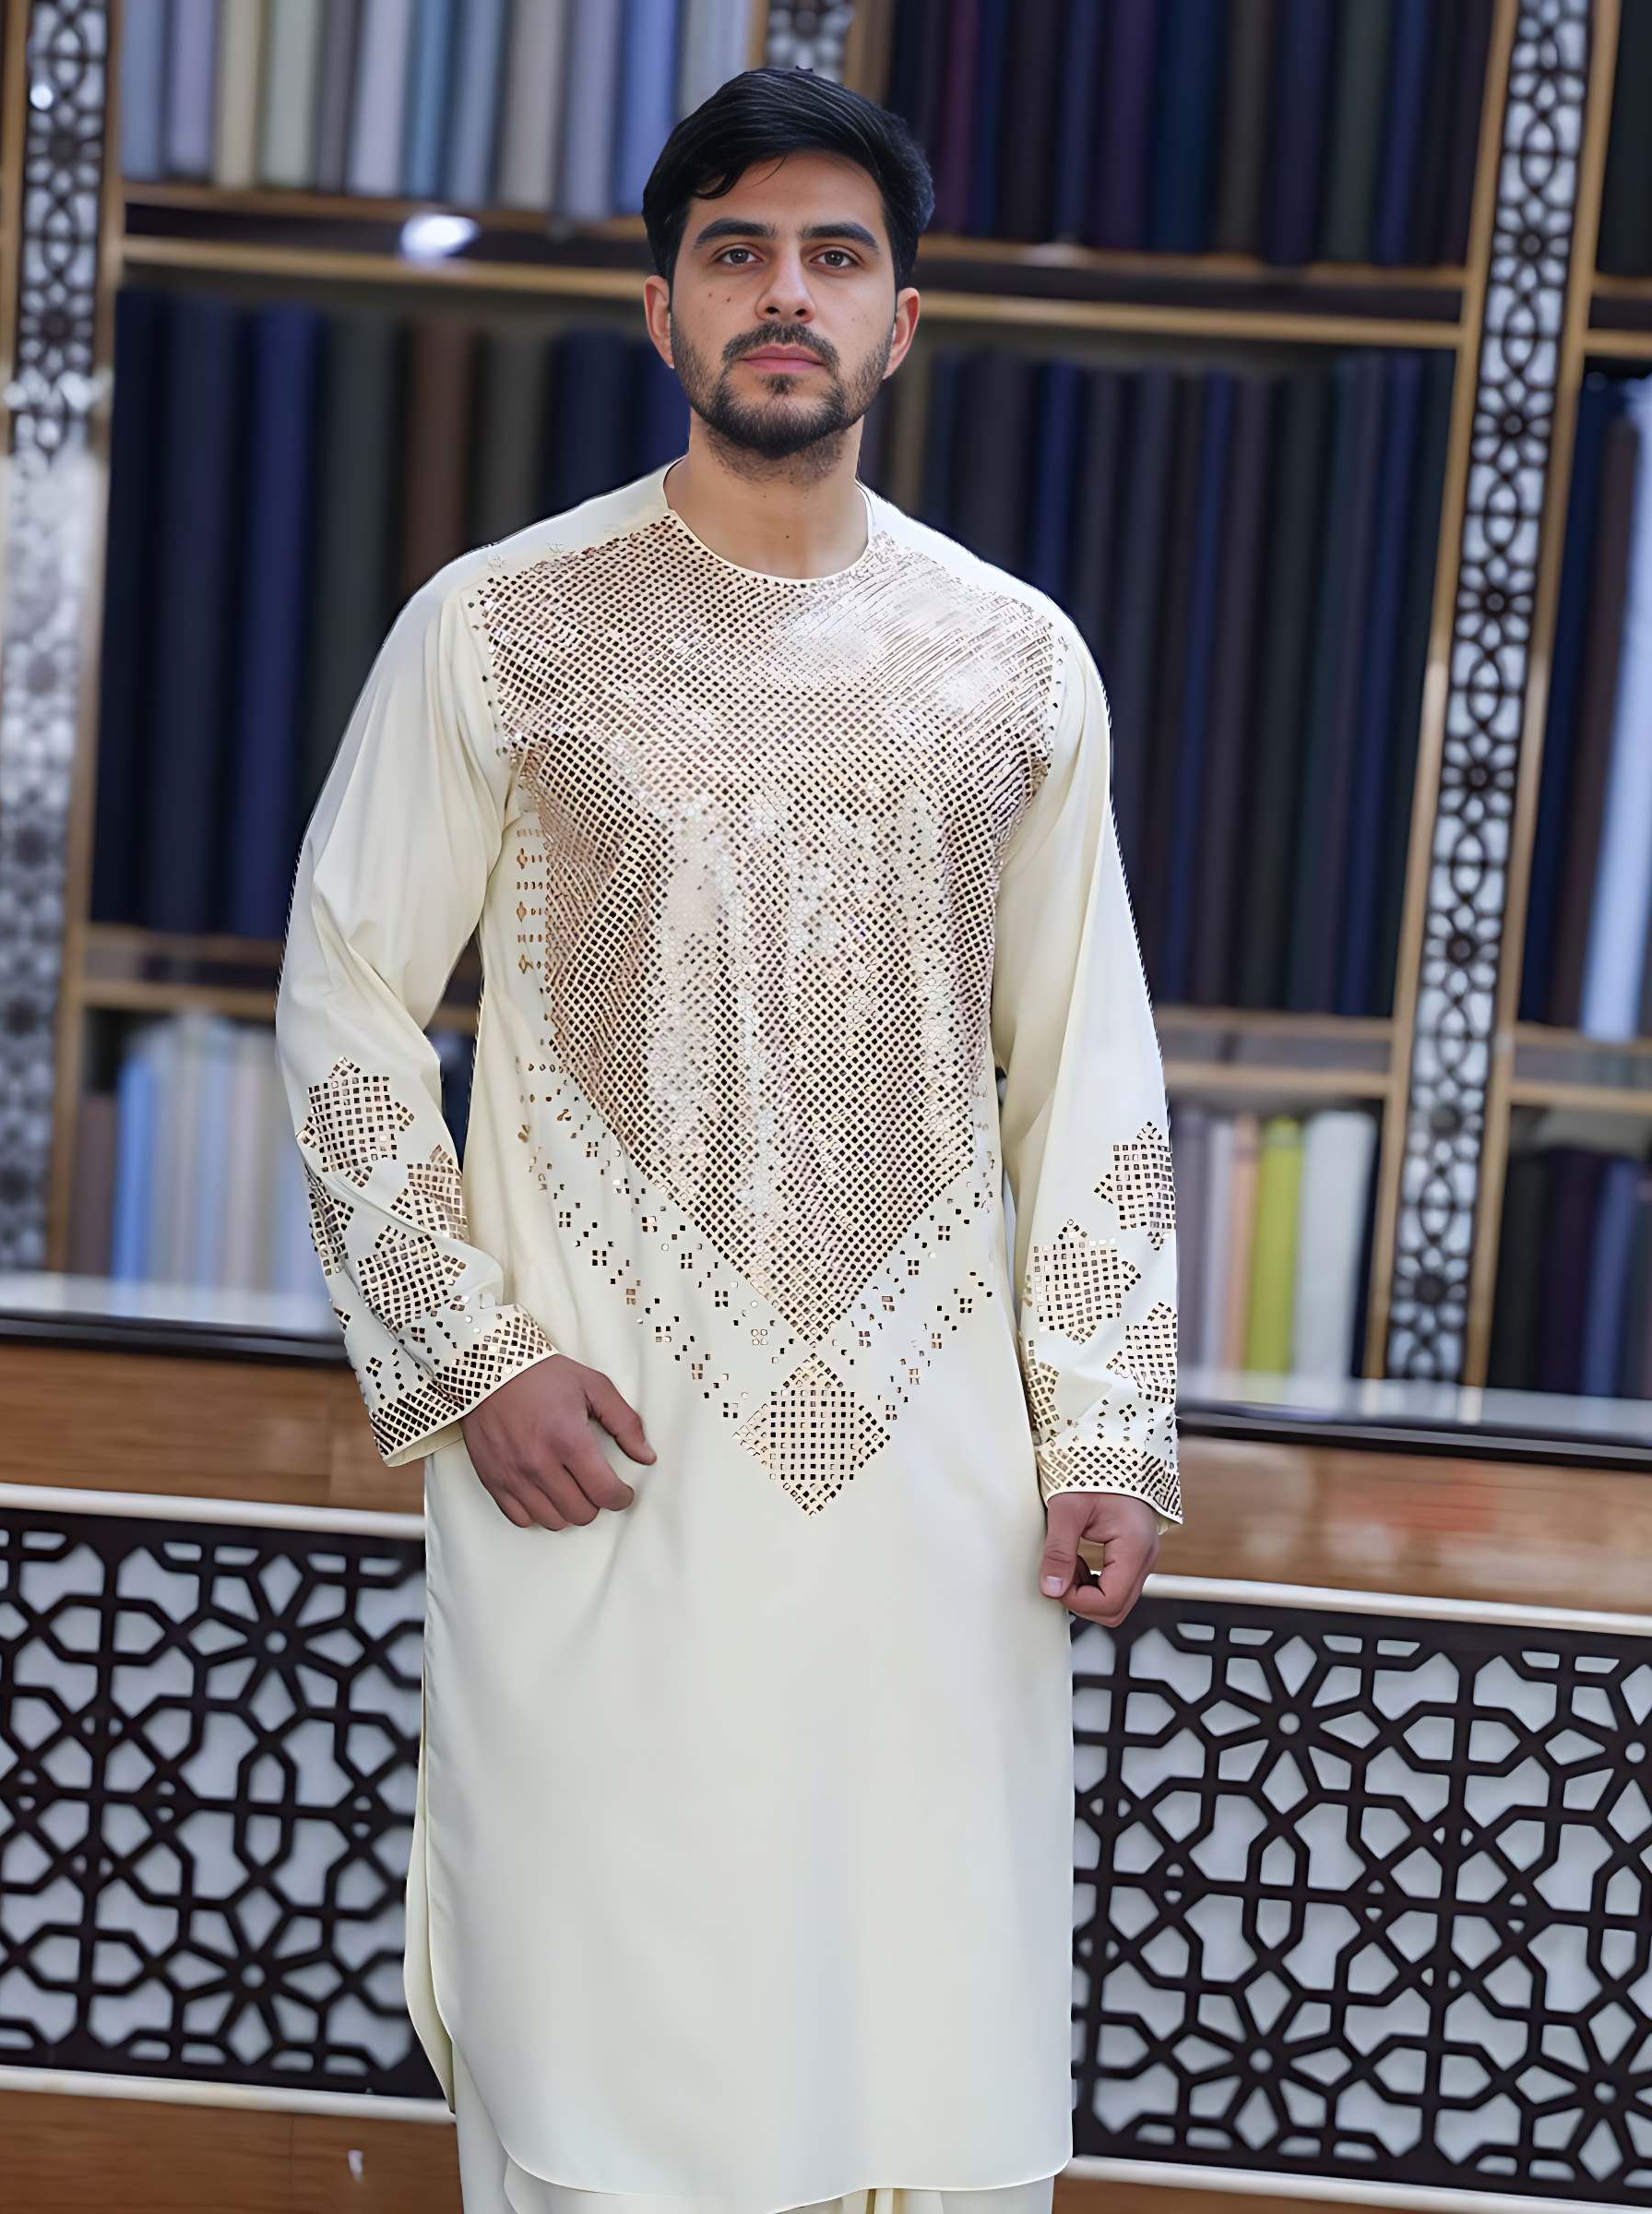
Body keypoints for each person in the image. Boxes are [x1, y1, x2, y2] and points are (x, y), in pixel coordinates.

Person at [275, 65, 1179, 2214]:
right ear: (661, 312)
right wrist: (467, 1352)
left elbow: (1089, 1071)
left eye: (836, 258)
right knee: (601, 2037)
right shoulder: (497, 628)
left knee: (915, 2031)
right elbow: (342, 999)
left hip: (933, 1486)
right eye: (740, 253)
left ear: (903, 322)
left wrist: (1107, 1435)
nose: (789, 296)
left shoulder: (1016, 665)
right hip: (605, 1458)